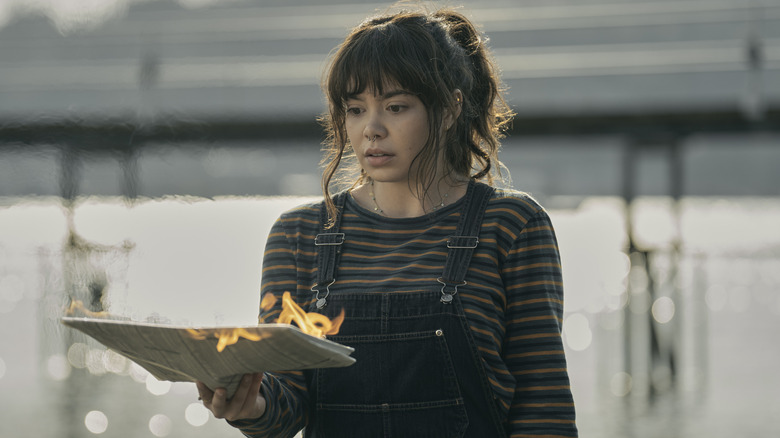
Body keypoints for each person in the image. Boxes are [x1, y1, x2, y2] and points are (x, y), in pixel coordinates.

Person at [196, 4, 578, 437]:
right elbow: (287, 405)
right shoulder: (299, 235)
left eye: (395, 107)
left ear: (451, 108)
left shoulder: (512, 226)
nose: (371, 129)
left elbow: (544, 408)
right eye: (355, 109)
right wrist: (251, 404)